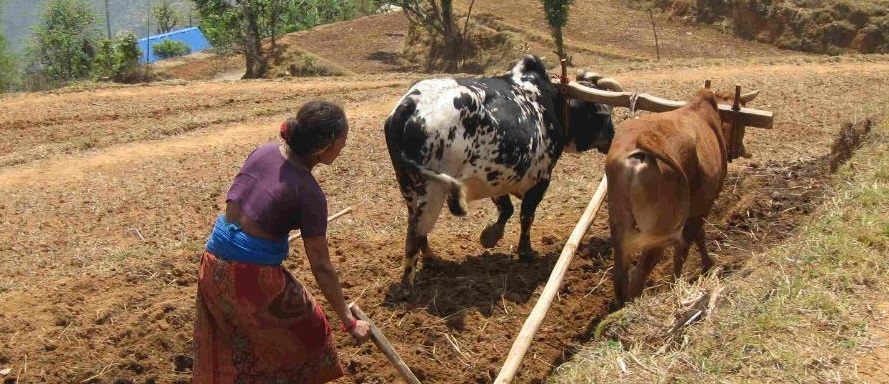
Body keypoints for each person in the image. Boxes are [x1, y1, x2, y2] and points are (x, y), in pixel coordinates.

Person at [193, 100, 370, 383]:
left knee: (231, 341)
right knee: (311, 334)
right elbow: (321, 267)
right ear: (325, 146)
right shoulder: (309, 194)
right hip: (248, 279)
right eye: (343, 141)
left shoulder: (263, 152)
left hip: (212, 265)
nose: (344, 146)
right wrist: (349, 321)